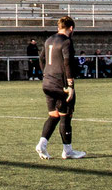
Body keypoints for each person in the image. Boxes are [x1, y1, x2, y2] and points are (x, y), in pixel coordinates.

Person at [36, 14, 84, 160]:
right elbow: (67, 62)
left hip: (47, 82)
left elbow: (41, 58)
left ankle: (42, 144)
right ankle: (67, 151)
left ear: (58, 27)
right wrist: (70, 85)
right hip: (60, 84)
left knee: (54, 115)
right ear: (71, 28)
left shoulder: (49, 39)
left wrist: (45, 73)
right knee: (65, 116)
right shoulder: (67, 41)